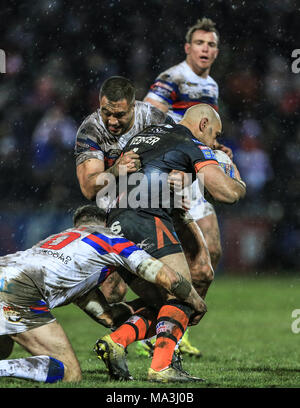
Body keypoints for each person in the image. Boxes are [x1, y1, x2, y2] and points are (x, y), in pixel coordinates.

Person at [96, 104, 246, 383]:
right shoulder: (190, 144)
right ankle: (162, 367)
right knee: (181, 294)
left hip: (117, 223)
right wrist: (238, 180)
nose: (216, 142)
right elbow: (225, 193)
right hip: (146, 218)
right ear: (203, 124)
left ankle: (117, 340)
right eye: (215, 134)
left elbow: (142, 173)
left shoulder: (148, 134)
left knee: (163, 300)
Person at [75, 76, 216, 358]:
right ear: (99, 106)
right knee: (115, 294)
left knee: (201, 270)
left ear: (134, 107)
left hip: (164, 203)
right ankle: (155, 337)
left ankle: (167, 337)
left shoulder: (154, 117)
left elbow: (188, 149)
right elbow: (90, 187)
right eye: (107, 112)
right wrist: (115, 171)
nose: (112, 121)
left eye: (120, 114)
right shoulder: (90, 130)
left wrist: (187, 175)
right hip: (118, 209)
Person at [0, 205, 205, 384]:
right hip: (17, 289)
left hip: (5, 269)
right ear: (109, 223)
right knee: (69, 372)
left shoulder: (56, 243)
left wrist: (146, 309)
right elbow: (167, 276)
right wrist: (196, 301)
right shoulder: (110, 239)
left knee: (4, 347)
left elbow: (108, 317)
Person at [144, 17, 228, 355]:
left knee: (214, 250)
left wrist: (217, 147)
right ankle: (156, 331)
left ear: (216, 51)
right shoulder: (173, 78)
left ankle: (176, 329)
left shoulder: (213, 85)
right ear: (187, 48)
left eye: (211, 45)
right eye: (200, 44)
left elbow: (202, 129)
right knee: (173, 259)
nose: (205, 49)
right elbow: (148, 115)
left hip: (193, 173)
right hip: (172, 174)